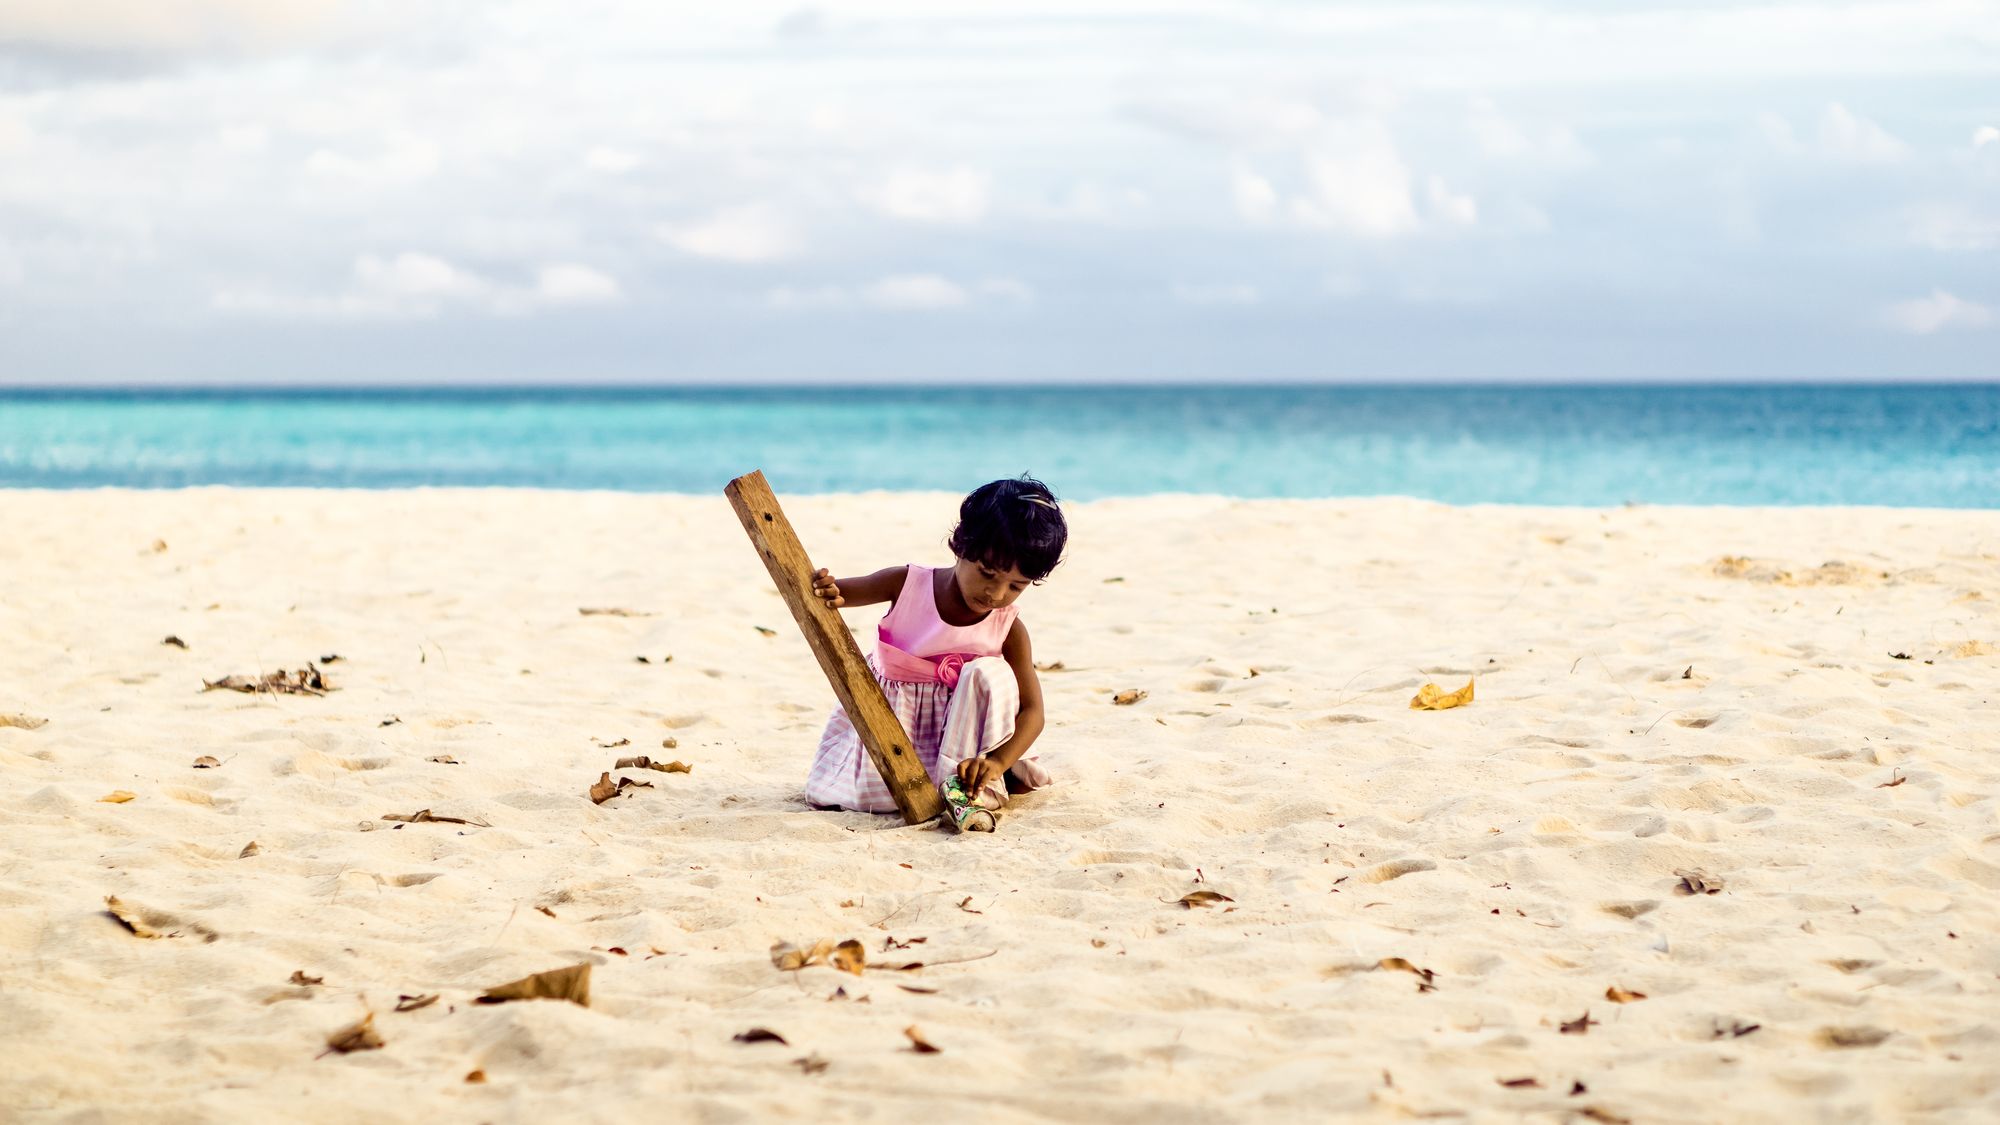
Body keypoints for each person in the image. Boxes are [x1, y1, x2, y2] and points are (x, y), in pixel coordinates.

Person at [804, 476, 1066, 822]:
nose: (996, 594)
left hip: (962, 740)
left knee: (989, 672)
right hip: (895, 728)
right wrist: (830, 589)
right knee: (873, 798)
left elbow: (1033, 711)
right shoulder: (907, 584)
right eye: (987, 573)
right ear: (960, 546)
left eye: (1016, 585)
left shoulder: (1009, 629)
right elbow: (842, 594)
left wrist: (999, 760)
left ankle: (985, 778)